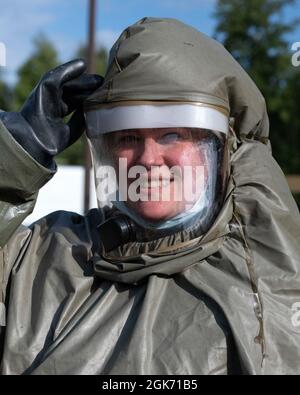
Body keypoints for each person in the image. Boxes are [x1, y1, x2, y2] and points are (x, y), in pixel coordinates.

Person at [0, 17, 300, 375]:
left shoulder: (269, 276)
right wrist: (11, 161)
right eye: (128, 138)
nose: (148, 159)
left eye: (173, 134)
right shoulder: (46, 257)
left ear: (223, 146)